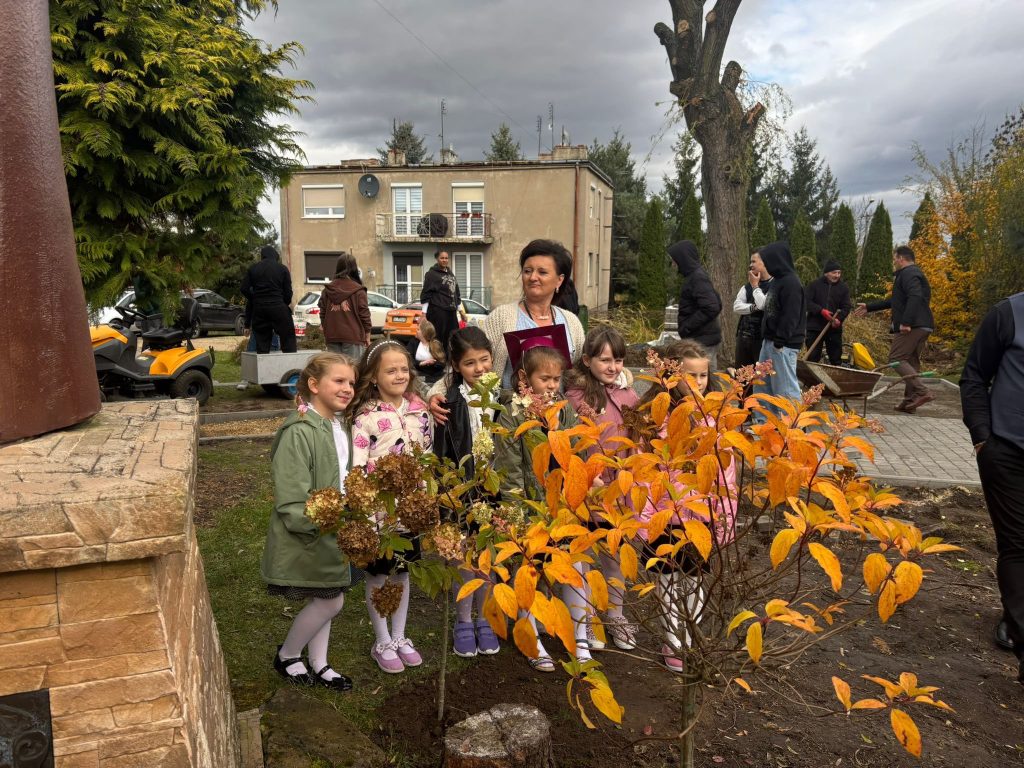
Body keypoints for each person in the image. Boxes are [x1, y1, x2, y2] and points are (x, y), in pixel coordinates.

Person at [634, 340, 737, 672]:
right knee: (665, 580)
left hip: (700, 519)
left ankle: (689, 635)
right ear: (672, 374)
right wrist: (645, 520)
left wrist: (725, 520)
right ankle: (672, 639)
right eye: (689, 375)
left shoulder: (716, 420)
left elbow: (726, 477)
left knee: (693, 580)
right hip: (664, 518)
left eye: (703, 375)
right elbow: (642, 474)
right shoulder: (654, 421)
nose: (698, 382)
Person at [262, 353, 357, 690]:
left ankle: (319, 662)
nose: (347, 389)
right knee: (331, 599)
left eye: (351, 383)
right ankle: (287, 655)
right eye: (339, 381)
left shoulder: (335, 424)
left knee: (326, 596)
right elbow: (292, 498)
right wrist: (325, 522)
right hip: (312, 531)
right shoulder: (299, 432)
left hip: (335, 527)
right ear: (314, 385)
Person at [493, 337, 580, 671]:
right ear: (524, 379)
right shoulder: (513, 413)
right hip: (528, 504)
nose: (552, 385)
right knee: (527, 567)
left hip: (558, 504)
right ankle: (527, 629)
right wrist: (516, 509)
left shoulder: (563, 408)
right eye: (545, 379)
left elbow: (572, 451)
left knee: (553, 564)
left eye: (556, 379)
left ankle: (545, 621)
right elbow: (509, 465)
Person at [350, 340, 432, 674]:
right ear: (373, 377)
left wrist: (425, 498)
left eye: (403, 369)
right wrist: (365, 511)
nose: (399, 375)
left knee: (402, 571)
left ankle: (399, 636)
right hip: (378, 516)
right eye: (390, 370)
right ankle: (381, 639)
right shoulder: (366, 418)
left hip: (409, 513)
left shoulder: (420, 411)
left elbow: (427, 456)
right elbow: (357, 468)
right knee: (379, 574)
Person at [960, 292, 1024, 681]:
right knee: (1018, 544)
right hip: (1009, 450)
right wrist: (983, 437)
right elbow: (974, 376)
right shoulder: (1008, 314)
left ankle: (1014, 616)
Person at [564, 325, 638, 652]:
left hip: (621, 487)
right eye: (605, 359)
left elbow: (640, 434)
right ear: (587, 360)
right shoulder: (576, 397)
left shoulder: (628, 393)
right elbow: (570, 440)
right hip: (590, 486)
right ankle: (589, 616)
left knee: (616, 553)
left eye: (618, 360)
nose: (612, 367)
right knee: (588, 554)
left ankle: (616, 614)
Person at [431, 327, 500, 659]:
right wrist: (449, 500)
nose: (480, 369)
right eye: (470, 363)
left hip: (494, 493)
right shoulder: (449, 403)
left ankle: (485, 617)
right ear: (457, 366)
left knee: (487, 558)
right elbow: (442, 457)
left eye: (484, 360)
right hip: (463, 493)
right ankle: (462, 621)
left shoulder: (504, 398)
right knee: (463, 557)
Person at [854, 246, 935, 413]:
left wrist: (906, 322)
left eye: (895, 259)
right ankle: (910, 401)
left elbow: (915, 296)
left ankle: (922, 391)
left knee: (896, 358)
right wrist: (869, 307)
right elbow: (895, 300)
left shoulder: (909, 273)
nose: (894, 262)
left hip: (913, 326)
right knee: (911, 362)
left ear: (901, 259)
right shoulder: (912, 274)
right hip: (923, 325)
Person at [753, 243, 806, 417]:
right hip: (769, 341)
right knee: (762, 384)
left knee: (785, 389)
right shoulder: (778, 281)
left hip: (783, 345)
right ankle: (765, 424)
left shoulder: (791, 283)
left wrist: (780, 341)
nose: (766, 265)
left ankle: (792, 427)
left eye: (767, 261)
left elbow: (791, 316)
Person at [669, 240, 722, 370]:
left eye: (675, 260)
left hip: (703, 340)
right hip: (701, 338)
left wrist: (687, 327)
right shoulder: (695, 277)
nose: (673, 264)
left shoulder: (697, 278)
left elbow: (712, 307)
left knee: (706, 382)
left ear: (683, 258)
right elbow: (715, 302)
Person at [242, 245, 297, 353]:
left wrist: (255, 298)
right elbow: (288, 293)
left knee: (262, 344)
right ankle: (290, 366)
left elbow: (244, 288)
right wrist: (282, 302)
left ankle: (263, 367)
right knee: (288, 339)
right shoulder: (282, 269)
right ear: (275, 256)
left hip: (260, 309)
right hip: (278, 307)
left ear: (262, 256)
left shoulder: (253, 268)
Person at [319, 252, 371, 359]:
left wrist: (325, 327)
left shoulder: (328, 290)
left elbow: (322, 312)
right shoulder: (358, 290)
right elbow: (364, 314)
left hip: (332, 336)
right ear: (354, 268)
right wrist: (367, 334)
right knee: (353, 370)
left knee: (334, 369)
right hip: (353, 336)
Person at [804, 260, 852, 365]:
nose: (837, 275)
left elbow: (846, 306)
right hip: (815, 327)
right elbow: (806, 302)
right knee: (812, 358)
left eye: (839, 273)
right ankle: (812, 381)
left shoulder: (843, 288)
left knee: (836, 359)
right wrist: (820, 311)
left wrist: (839, 319)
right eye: (834, 272)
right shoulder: (814, 285)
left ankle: (834, 380)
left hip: (833, 328)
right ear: (826, 273)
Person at [420, 251, 466, 355]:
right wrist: (423, 314)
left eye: (446, 258)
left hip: (451, 312)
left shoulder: (451, 274)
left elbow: (456, 294)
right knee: (438, 338)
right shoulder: (431, 274)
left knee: (453, 337)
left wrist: (461, 312)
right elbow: (426, 293)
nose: (445, 260)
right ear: (437, 259)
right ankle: (437, 361)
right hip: (438, 311)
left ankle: (449, 362)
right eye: (442, 258)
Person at [732, 255, 770, 368]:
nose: (750, 265)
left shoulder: (774, 285)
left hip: (762, 340)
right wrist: (752, 308)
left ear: (764, 262)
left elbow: (763, 305)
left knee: (761, 377)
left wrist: (755, 286)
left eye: (753, 262)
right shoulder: (746, 286)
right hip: (743, 337)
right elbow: (736, 306)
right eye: (750, 262)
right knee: (741, 377)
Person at [406, 319, 446, 385]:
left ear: (424, 333)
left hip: (434, 376)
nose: (416, 331)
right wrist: (421, 363)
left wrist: (433, 363)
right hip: (418, 374)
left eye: (418, 329)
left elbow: (442, 364)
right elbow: (408, 359)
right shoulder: (413, 342)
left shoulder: (436, 344)